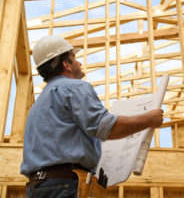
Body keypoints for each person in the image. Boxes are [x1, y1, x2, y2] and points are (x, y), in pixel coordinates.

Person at [21, 35, 163, 198]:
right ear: (66, 65)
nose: (79, 63)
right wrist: (149, 119)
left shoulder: (39, 104)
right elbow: (108, 127)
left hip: (36, 188)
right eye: (74, 58)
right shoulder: (75, 88)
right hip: (65, 186)